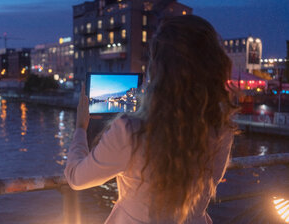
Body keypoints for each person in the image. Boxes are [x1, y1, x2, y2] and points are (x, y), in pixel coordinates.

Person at [64, 15, 237, 224]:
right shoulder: (221, 127)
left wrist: (81, 128)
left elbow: (76, 178)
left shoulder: (130, 130)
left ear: (156, 69)